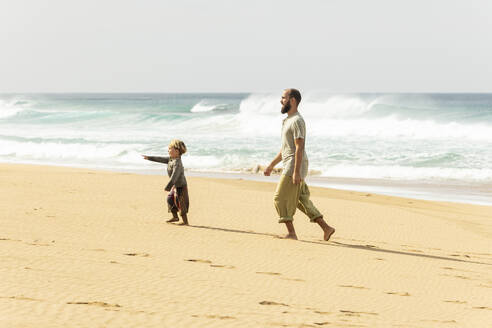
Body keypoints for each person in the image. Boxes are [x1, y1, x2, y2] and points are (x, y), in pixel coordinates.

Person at [264, 89, 335, 240]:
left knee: (279, 198)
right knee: (301, 199)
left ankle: (291, 233)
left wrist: (296, 172)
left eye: (284, 98)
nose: (281, 100)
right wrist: (271, 165)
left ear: (293, 100)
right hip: (292, 163)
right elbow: (285, 149)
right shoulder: (288, 120)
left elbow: (299, 147)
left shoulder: (297, 121)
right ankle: (326, 228)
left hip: (294, 165)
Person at [142, 139, 189, 225]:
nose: (168, 150)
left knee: (181, 203)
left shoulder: (177, 163)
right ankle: (175, 217)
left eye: (170, 148)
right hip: (175, 184)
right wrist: (149, 158)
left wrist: (168, 186)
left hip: (181, 186)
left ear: (177, 151)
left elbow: (175, 175)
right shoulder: (171, 159)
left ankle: (185, 222)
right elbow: (160, 159)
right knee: (170, 199)